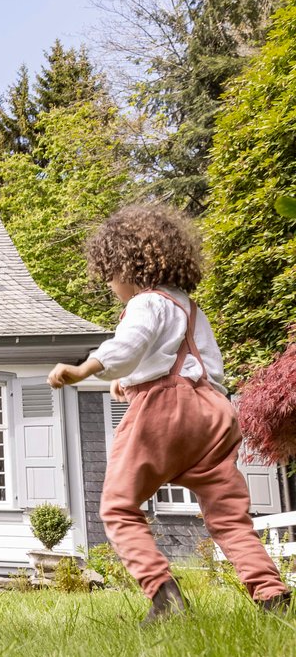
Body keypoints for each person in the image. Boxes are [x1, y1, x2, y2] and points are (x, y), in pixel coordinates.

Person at [48, 204, 291, 623]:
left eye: (110, 274)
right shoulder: (189, 307)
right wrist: (130, 380)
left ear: (129, 266)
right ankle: (272, 595)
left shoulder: (145, 303)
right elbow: (196, 366)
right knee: (230, 517)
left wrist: (84, 367)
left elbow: (128, 345)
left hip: (167, 411)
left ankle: (165, 596)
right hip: (213, 416)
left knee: (119, 506)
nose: (110, 285)